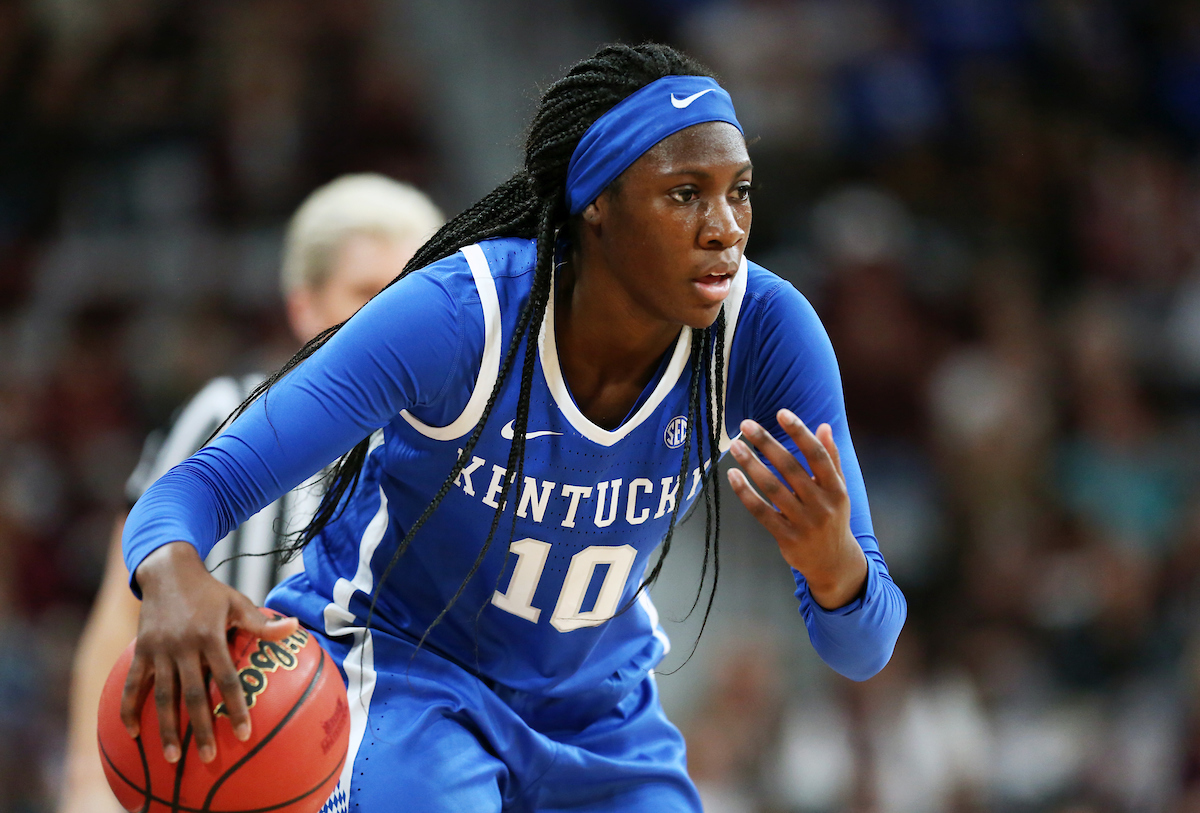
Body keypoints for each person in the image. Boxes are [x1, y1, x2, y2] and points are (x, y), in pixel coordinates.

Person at [119, 43, 907, 812]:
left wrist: (833, 564)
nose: (725, 227)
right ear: (594, 201)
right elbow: (204, 482)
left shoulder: (763, 332)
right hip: (409, 673)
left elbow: (864, 647)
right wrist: (170, 569)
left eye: (739, 191)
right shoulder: (462, 316)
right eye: (685, 193)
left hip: (599, 710)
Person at [57, 174, 444, 813]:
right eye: (367, 293)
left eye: (411, 294)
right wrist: (84, 787)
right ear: (303, 305)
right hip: (232, 771)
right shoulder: (226, 416)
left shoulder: (470, 456)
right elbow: (121, 615)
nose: (391, 319)